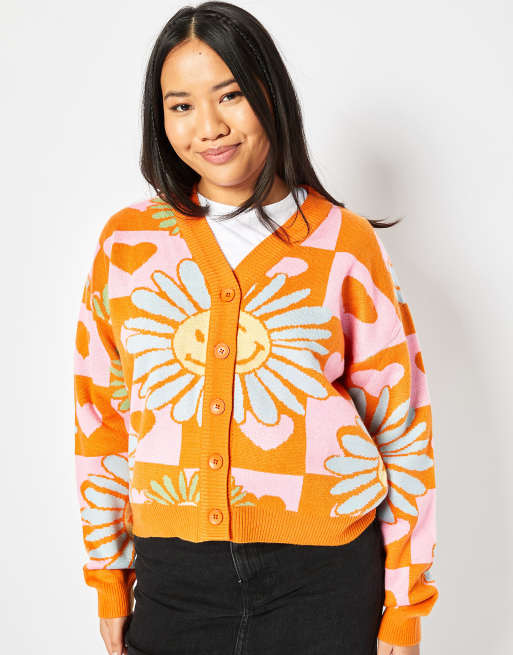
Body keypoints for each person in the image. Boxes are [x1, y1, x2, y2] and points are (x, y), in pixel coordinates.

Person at [73, 2, 439, 654]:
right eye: (181, 105)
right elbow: (101, 415)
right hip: (174, 578)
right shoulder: (127, 244)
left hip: (324, 579)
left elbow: (402, 427)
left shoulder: (344, 243)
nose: (209, 126)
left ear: (271, 94)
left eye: (231, 95)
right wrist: (108, 573)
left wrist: (404, 607)